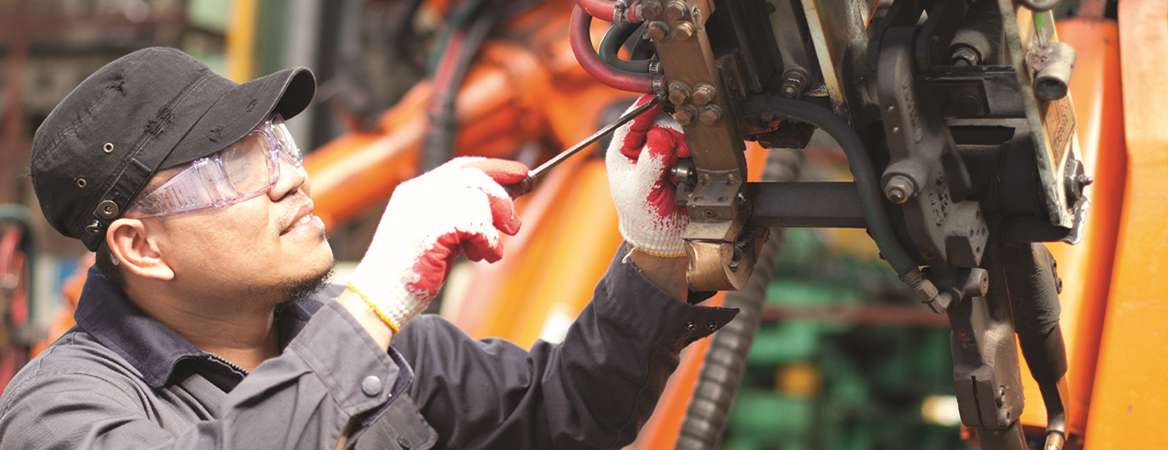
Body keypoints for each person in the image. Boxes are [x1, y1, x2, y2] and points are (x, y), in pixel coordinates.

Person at [0, 47, 734, 449]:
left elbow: (570, 410)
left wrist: (653, 248)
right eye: (232, 168)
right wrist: (372, 305)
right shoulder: (61, 412)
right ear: (141, 246)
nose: (292, 180)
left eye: (278, 147)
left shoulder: (388, 353)